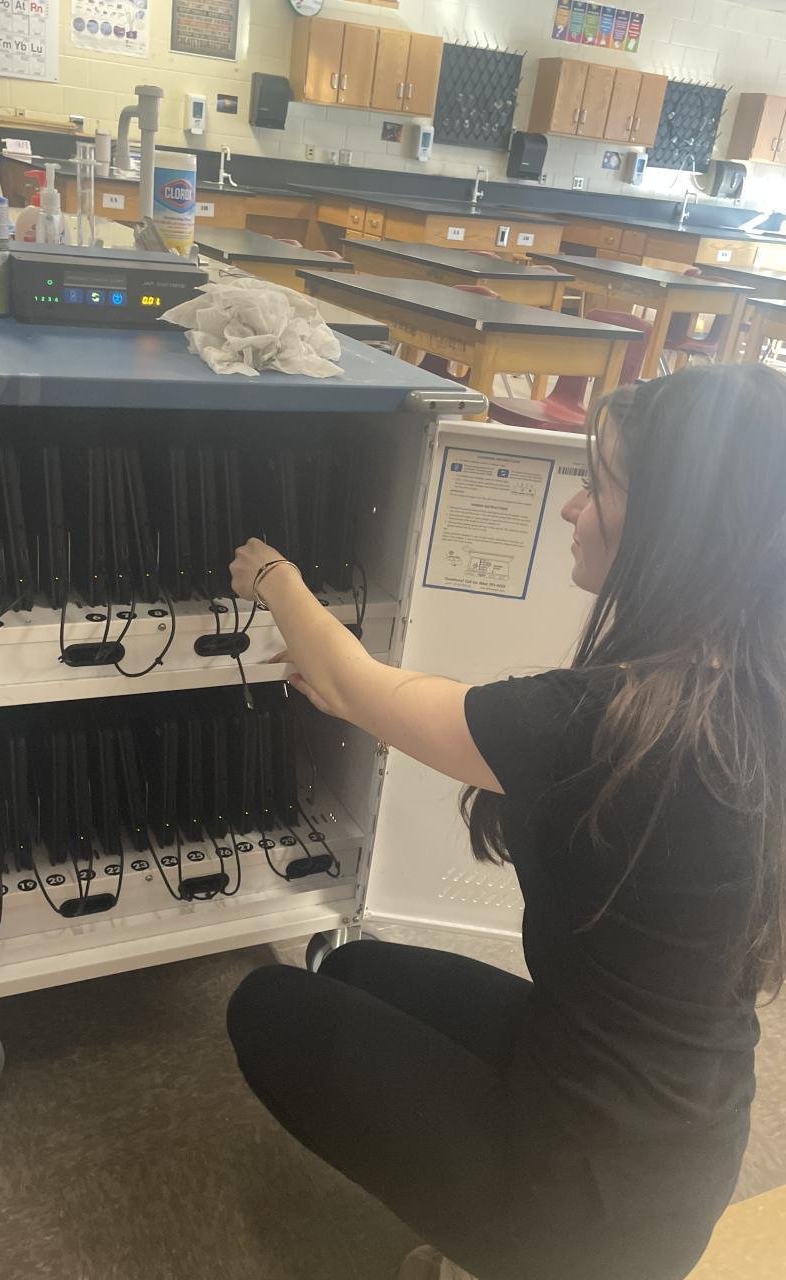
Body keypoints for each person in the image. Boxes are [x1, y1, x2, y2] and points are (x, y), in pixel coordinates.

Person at [225, 364, 786, 1280]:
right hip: (677, 1138)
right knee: (356, 967)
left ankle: (520, 1258)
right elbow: (389, 695)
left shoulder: (605, 724)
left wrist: (274, 577)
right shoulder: (741, 688)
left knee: (267, 1006)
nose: (573, 507)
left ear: (675, 526)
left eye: (598, 485)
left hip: (592, 1204)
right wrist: (356, 684)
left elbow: (354, 684)